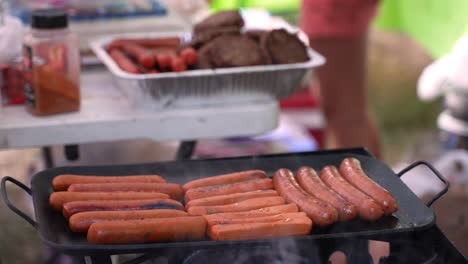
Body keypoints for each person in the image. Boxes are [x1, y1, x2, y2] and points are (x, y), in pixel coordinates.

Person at [301, 0, 381, 157]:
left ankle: (370, 179)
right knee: (343, 111)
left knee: (344, 112)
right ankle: (377, 178)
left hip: (332, 8)